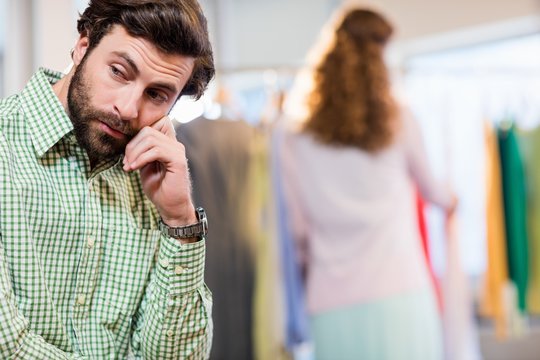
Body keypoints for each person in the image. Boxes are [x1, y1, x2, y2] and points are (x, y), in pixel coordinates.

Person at [0, 0, 214, 358]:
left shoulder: (155, 182)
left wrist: (179, 221)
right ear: (83, 47)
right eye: (119, 71)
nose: (128, 109)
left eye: (156, 94)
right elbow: (8, 346)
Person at [281, 8, 457, 360]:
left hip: (330, 301)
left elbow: (297, 232)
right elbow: (434, 193)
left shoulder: (292, 134)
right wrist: (452, 199)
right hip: (400, 293)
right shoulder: (399, 120)